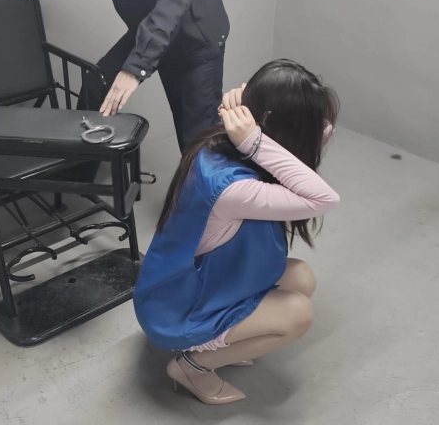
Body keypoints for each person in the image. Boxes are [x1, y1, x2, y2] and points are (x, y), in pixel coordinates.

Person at [133, 59, 341, 404]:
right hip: (178, 308)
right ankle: (192, 367)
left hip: (203, 281)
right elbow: (324, 199)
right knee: (297, 314)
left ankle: (224, 341)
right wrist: (256, 143)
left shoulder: (226, 138)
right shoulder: (234, 188)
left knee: (301, 278)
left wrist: (246, 114)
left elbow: (322, 129)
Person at [18, 0, 229, 151]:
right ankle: (79, 173)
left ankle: (204, 186)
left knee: (196, 139)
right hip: (149, 30)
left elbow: (174, 1)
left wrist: (136, 68)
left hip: (194, 39)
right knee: (96, 85)